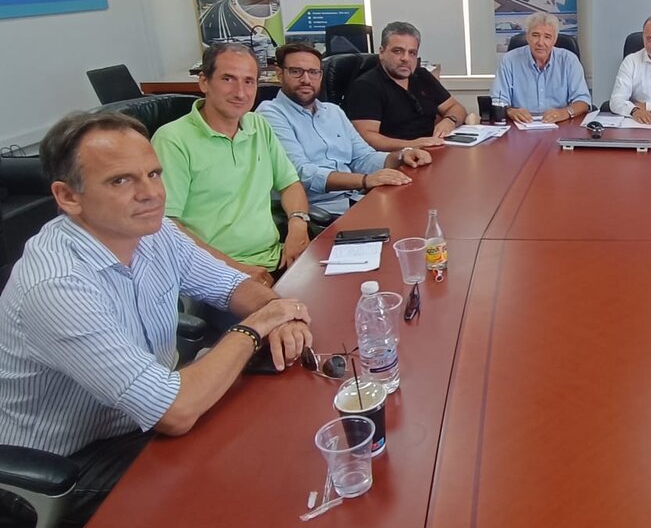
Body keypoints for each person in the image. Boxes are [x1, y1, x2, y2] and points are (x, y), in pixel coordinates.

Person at [0, 111, 313, 527]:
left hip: (141, 417)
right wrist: (256, 327)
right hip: (73, 460)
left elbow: (234, 287)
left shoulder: (156, 232)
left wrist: (280, 315)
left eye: (153, 174)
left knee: (279, 437)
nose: (151, 193)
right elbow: (175, 410)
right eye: (121, 181)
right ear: (68, 196)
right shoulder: (56, 284)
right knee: (250, 485)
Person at [151, 42, 311, 290]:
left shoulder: (258, 125)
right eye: (228, 79)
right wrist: (235, 270)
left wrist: (298, 224)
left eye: (249, 81)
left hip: (275, 258)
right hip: (215, 273)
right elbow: (166, 226)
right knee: (298, 314)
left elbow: (290, 183)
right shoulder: (172, 140)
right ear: (204, 82)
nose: (241, 93)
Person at [258, 42, 433, 217]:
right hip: (318, 212)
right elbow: (302, 173)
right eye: (296, 72)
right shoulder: (269, 114)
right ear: (280, 74)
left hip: (355, 200)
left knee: (423, 207)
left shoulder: (333, 111)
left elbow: (363, 157)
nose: (306, 80)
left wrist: (402, 155)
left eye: (313, 72)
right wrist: (364, 180)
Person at [344, 21, 469, 151]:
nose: (406, 58)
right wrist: (412, 145)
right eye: (398, 51)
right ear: (381, 52)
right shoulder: (366, 86)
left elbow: (456, 107)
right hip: (396, 156)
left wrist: (450, 120)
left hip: (433, 148)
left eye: (412, 53)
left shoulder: (421, 76)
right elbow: (366, 137)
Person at [490, 11, 591, 124]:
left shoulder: (569, 60)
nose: (540, 42)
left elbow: (583, 100)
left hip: (561, 125)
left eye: (547, 37)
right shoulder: (509, 60)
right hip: (520, 127)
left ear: (554, 40)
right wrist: (511, 111)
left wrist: (564, 112)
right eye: (535, 35)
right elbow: (498, 100)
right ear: (527, 37)